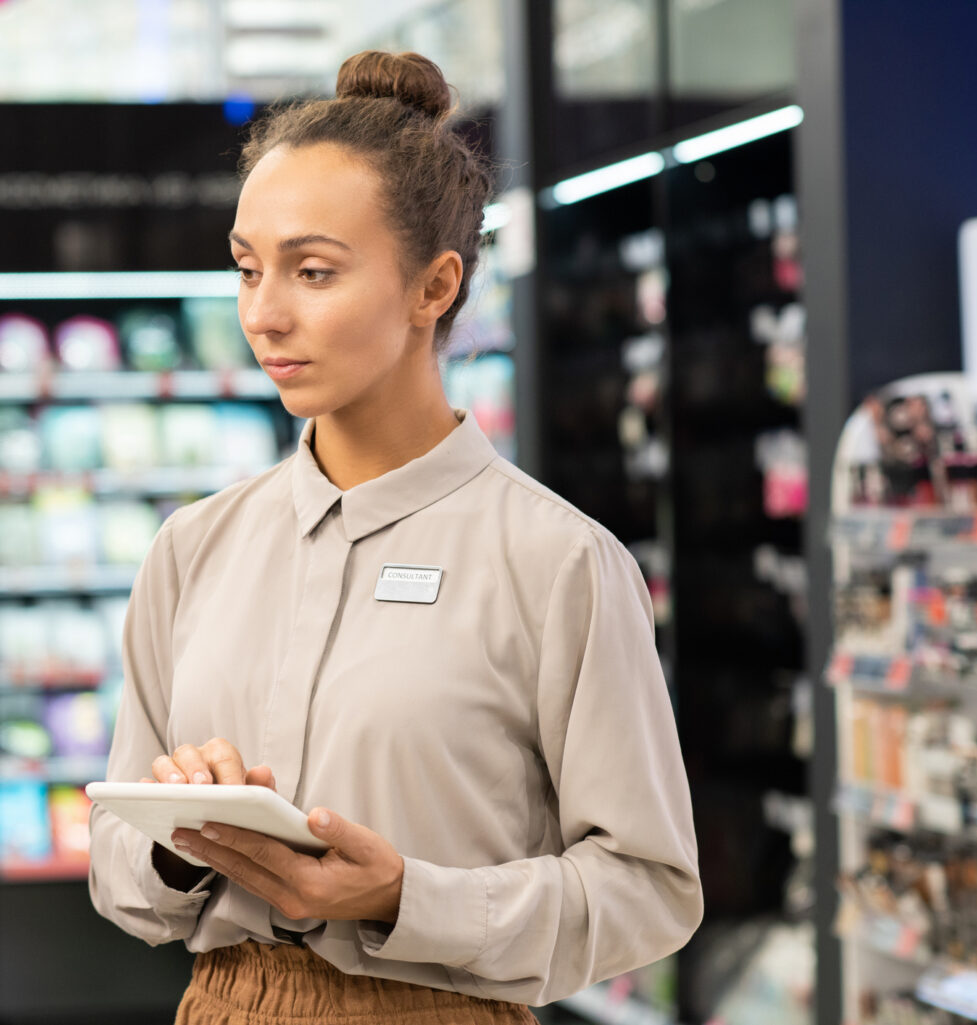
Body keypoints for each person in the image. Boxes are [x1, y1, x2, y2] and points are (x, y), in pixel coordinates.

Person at [88, 49, 702, 1025]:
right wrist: (176, 842)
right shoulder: (193, 547)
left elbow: (650, 888)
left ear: (434, 287)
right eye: (248, 269)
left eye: (314, 270)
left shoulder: (557, 562)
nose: (264, 313)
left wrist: (407, 897)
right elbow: (114, 863)